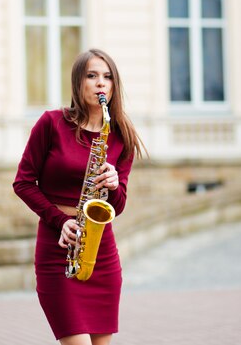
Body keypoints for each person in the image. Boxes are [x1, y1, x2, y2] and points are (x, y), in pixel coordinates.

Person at [13, 48, 146, 345]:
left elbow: (119, 205)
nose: (101, 83)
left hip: (100, 251)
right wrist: (59, 220)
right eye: (92, 76)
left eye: (107, 77)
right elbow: (22, 182)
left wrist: (114, 185)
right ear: (78, 83)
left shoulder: (121, 135)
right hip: (58, 248)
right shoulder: (51, 124)